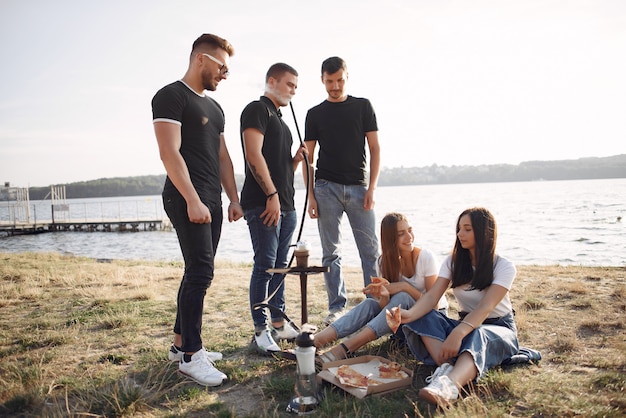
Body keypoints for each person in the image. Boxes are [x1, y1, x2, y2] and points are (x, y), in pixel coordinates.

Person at [152, 33, 243, 387]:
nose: (225, 73)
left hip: (212, 200)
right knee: (202, 273)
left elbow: (223, 156)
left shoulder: (216, 108)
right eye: (222, 66)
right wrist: (191, 199)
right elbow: (169, 152)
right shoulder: (171, 95)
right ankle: (192, 355)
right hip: (184, 196)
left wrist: (233, 198)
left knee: (197, 271)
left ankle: (180, 345)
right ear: (200, 59)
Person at [392, 207, 519, 406]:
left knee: (480, 334)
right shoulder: (453, 261)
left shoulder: (503, 266)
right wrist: (407, 315)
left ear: (484, 231)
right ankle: (447, 367)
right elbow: (432, 296)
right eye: (459, 228)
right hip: (467, 325)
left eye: (467, 229)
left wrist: (458, 333)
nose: (460, 234)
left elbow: (485, 307)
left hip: (499, 328)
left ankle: (449, 386)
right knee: (425, 316)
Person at [304, 56, 381, 325]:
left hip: (360, 188)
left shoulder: (362, 107)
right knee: (331, 252)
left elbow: (375, 148)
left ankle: (375, 303)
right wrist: (310, 195)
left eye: (339, 81)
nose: (334, 86)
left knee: (370, 250)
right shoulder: (315, 113)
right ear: (322, 80)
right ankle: (337, 307)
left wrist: (372, 187)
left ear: (346, 77)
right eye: (329, 81)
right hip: (326, 189)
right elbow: (308, 158)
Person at [313, 212, 448, 365]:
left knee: (403, 296)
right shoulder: (383, 262)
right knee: (370, 303)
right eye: (401, 234)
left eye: (410, 230)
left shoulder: (425, 257)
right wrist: (384, 296)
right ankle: (316, 341)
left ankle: (347, 347)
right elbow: (387, 309)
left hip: (430, 323)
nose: (409, 237)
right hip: (401, 322)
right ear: (390, 239)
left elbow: (435, 306)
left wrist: (404, 287)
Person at [240, 63, 307, 355]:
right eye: (289, 84)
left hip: (287, 205)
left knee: (281, 266)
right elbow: (252, 154)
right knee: (266, 265)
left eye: (295, 86)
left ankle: (279, 322)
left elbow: (280, 166)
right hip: (264, 202)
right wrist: (271, 194)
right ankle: (261, 328)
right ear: (272, 82)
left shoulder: (281, 120)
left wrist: (295, 160)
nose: (293, 90)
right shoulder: (257, 110)